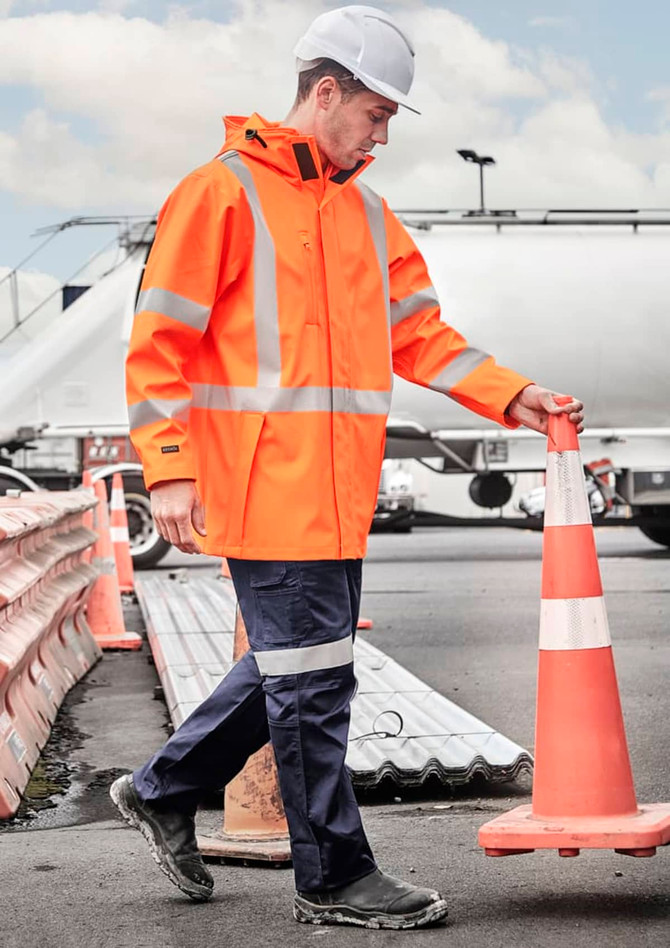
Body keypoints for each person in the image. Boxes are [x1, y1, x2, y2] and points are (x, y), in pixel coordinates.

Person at [111, 4, 584, 931]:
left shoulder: (366, 210)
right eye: (375, 115)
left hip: (334, 495)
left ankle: (164, 788)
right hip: (260, 488)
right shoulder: (220, 193)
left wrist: (510, 395)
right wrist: (166, 469)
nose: (380, 135)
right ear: (326, 93)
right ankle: (332, 877)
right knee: (313, 685)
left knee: (305, 669)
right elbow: (158, 342)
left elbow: (420, 335)